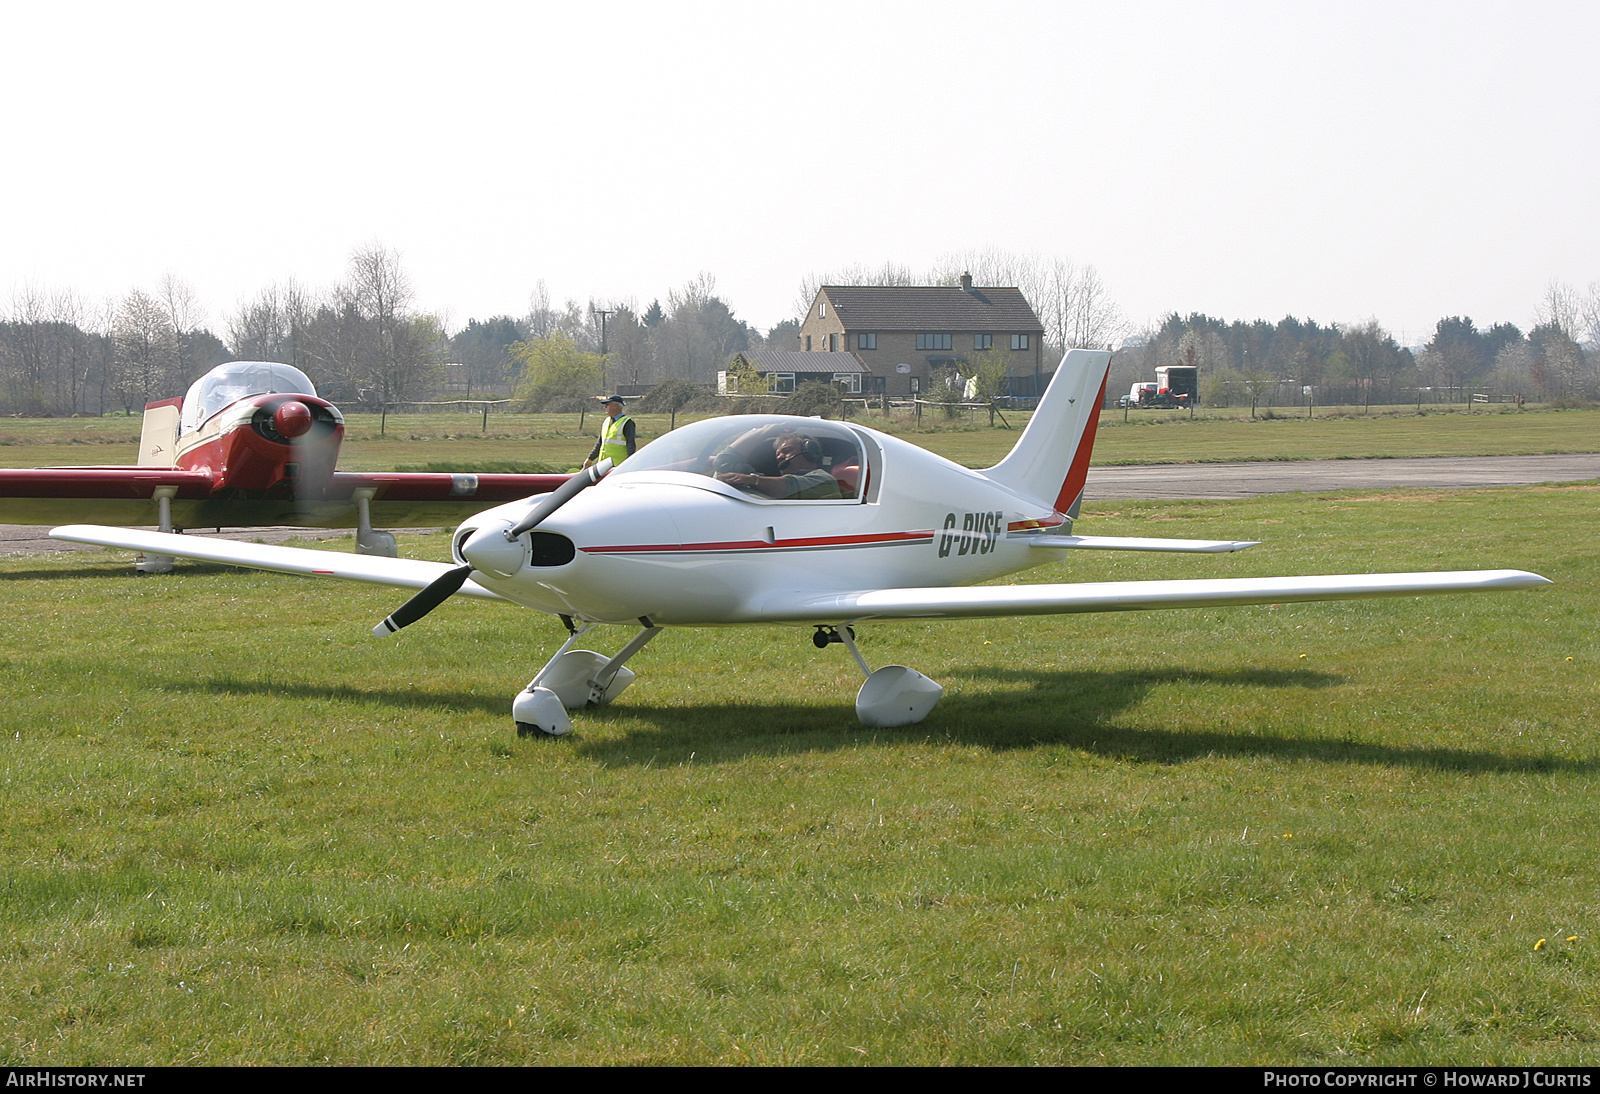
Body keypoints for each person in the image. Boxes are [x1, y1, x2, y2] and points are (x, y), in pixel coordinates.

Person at [715, 430, 841, 500]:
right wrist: (766, 430)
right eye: (777, 454)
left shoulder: (825, 481)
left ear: (810, 452)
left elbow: (788, 487)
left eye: (787, 450)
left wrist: (751, 480)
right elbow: (723, 461)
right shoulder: (764, 482)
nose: (780, 457)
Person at [584, 395, 635, 468]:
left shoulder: (627, 422)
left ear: (615, 406)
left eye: (607, 404)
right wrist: (590, 459)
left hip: (617, 466)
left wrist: (629, 464)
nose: (605, 407)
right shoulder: (606, 421)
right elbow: (600, 443)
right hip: (602, 467)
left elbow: (631, 444)